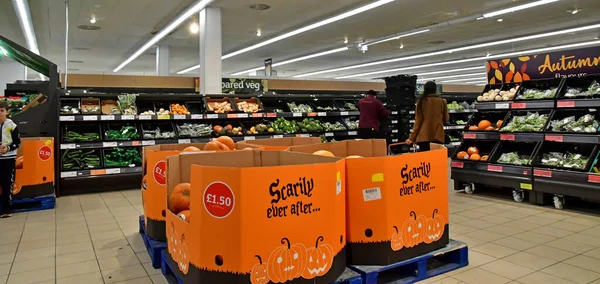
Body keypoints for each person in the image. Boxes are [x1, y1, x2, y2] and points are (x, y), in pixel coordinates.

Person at [406, 81, 449, 152]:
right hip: (437, 136)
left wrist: (411, 138)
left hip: (424, 136)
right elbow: (446, 119)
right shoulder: (442, 101)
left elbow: (418, 121)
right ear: (435, 89)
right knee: (436, 159)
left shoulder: (421, 102)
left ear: (425, 89)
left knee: (425, 160)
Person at [0, 101, 21, 218]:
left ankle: (6, 209)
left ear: (7, 112)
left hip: (9, 158)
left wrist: (7, 148)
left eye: (2, 110)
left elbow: (17, 143)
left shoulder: (12, 126)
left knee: (7, 183)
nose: (0, 113)